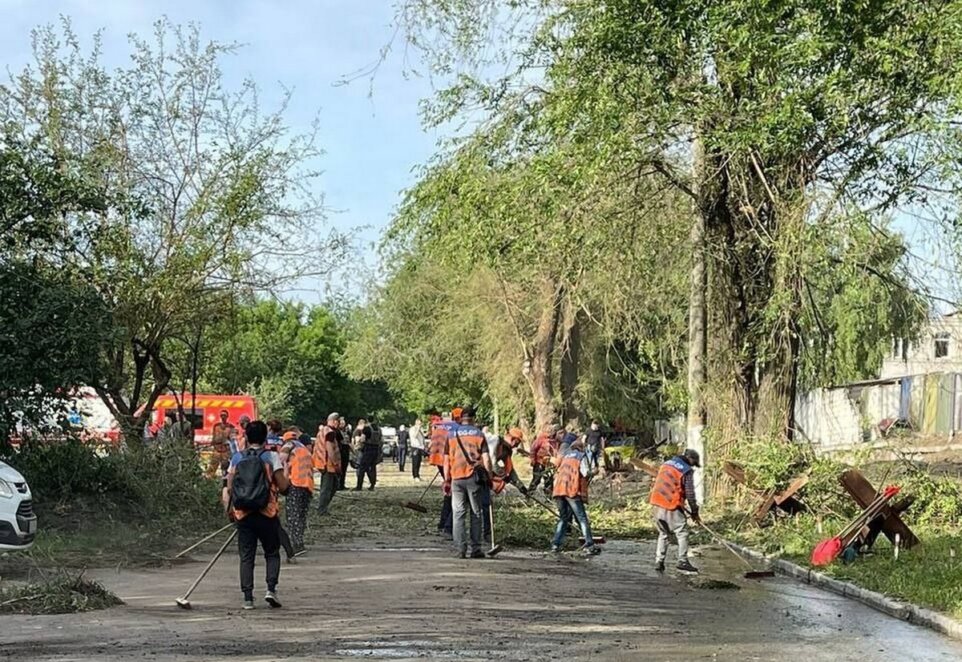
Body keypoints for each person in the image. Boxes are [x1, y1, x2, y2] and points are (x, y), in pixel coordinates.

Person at [225, 419, 289, 609]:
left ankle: (248, 598)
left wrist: (231, 510)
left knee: (246, 556)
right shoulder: (271, 457)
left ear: (246, 436)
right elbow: (283, 487)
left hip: (244, 514)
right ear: (265, 437)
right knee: (271, 552)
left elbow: (229, 487)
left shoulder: (237, 458)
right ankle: (270, 590)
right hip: (267, 512)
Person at [444, 407, 492, 559]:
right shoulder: (479, 434)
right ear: (473, 418)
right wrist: (489, 476)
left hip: (456, 478)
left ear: (461, 418)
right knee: (475, 513)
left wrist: (446, 479)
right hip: (474, 478)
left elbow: (446, 460)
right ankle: (476, 548)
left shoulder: (452, 434)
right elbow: (487, 459)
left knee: (458, 514)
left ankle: (460, 549)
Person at [650, 448, 701, 575]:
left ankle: (659, 561)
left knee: (664, 533)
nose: (692, 466)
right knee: (682, 532)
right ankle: (682, 561)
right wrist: (695, 511)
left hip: (656, 503)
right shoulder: (686, 470)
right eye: (693, 463)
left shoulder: (667, 464)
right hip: (670, 504)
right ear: (690, 459)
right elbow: (690, 493)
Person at [550, 438, 600, 556]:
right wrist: (595, 472)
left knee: (563, 518)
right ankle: (589, 544)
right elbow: (585, 472)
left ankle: (555, 544)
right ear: (581, 448)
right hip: (571, 490)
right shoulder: (580, 456)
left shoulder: (565, 457)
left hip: (559, 490)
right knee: (582, 518)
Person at [282, 431, 312, 555]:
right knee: (301, 515)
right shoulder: (304, 449)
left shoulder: (289, 446)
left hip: (296, 484)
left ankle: (297, 545)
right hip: (308, 486)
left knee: (293, 516)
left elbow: (281, 460)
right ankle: (300, 541)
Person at [431, 411, 460, 537]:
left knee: (449, 492)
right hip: (448, 461)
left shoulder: (439, 424)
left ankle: (443, 523)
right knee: (456, 493)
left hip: (437, 459)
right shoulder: (457, 428)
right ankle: (448, 526)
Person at [313, 413, 343, 514]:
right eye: (339, 422)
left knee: (331, 486)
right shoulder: (330, 433)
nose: (339, 424)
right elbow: (330, 449)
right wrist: (335, 463)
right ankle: (322, 509)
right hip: (329, 465)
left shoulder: (323, 431)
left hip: (322, 463)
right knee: (327, 488)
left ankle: (322, 507)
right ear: (335, 421)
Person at [528, 424, 559, 496]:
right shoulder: (541, 439)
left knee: (548, 480)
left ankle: (548, 497)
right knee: (536, 479)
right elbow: (533, 449)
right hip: (539, 462)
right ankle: (529, 495)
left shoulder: (556, 441)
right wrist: (533, 459)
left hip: (549, 464)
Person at [208, 410, 236, 478]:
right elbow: (213, 437)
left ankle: (225, 482)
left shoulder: (231, 427)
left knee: (225, 468)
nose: (223, 417)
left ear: (227, 417)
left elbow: (233, 440)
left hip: (226, 451)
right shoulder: (216, 426)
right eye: (222, 415)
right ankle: (209, 482)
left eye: (224, 415)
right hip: (217, 450)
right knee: (212, 468)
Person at [354, 419, 379, 490]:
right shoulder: (378, 429)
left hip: (368, 449)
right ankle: (372, 485)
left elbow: (363, 439)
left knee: (362, 467)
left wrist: (359, 442)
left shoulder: (367, 428)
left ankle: (359, 486)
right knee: (372, 468)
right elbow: (381, 439)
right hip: (376, 449)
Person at [337, 416, 351, 490]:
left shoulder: (347, 431)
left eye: (344, 423)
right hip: (340, 450)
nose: (343, 424)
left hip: (346, 450)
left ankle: (342, 484)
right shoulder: (337, 432)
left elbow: (348, 441)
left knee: (344, 468)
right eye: (341, 423)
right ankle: (338, 485)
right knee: (340, 468)